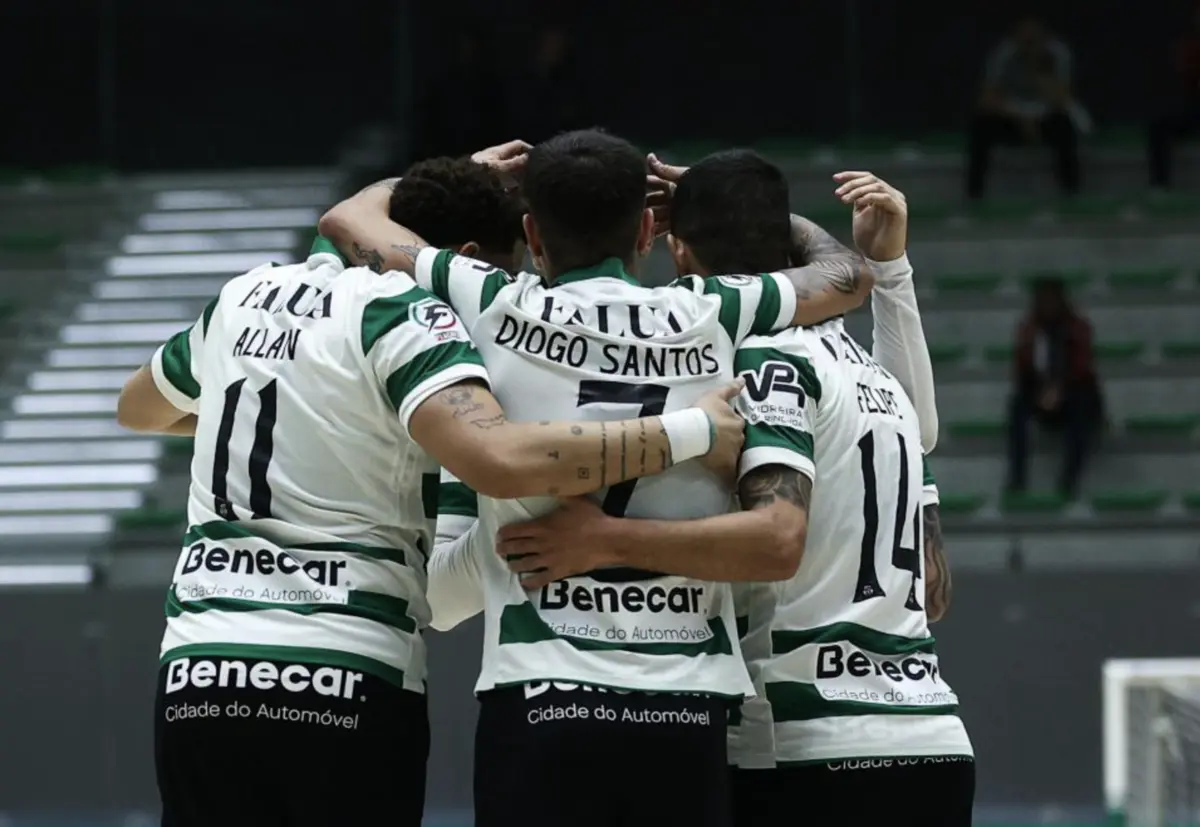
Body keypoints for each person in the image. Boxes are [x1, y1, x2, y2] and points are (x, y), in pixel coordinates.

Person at [114, 145, 747, 826]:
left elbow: (139, 409)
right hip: (345, 668)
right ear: (471, 254)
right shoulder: (404, 311)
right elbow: (497, 457)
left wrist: (311, 402)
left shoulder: (244, 295)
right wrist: (691, 431)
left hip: (199, 670)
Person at [318, 128, 874, 827]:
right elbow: (849, 274)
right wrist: (713, 197)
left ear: (531, 232)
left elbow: (347, 221)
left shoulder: (492, 300)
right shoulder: (714, 310)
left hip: (540, 695)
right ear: (647, 226)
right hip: (685, 701)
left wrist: (467, 172)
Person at [494, 152, 973, 827]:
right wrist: (750, 206)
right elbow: (932, 585)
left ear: (678, 250)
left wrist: (604, 539)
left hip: (805, 744)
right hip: (931, 739)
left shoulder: (760, 362)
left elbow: (777, 539)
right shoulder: (886, 385)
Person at [967, 16, 1089, 199]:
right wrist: (1021, 118)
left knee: (1064, 128)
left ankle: (1071, 192)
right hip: (1012, 116)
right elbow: (988, 99)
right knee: (981, 125)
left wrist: (1038, 73)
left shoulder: (1057, 53)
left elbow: (1062, 97)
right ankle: (973, 195)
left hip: (1046, 116)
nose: (1029, 43)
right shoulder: (1005, 54)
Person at [1006, 276, 1102, 498]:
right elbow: (1021, 369)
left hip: (1073, 393)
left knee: (1083, 405)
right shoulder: (1029, 330)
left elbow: (1083, 367)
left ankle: (1068, 481)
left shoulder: (1078, 328)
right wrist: (1041, 391)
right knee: (1017, 406)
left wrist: (1059, 389)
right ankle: (1017, 478)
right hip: (1041, 394)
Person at [1147, 1, 1200, 190]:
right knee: (1159, 127)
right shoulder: (1188, 45)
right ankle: (1160, 185)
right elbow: (1187, 76)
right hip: (1196, 110)